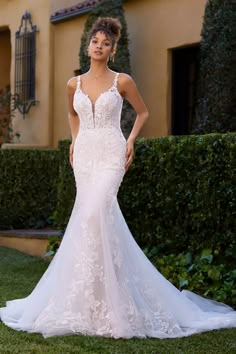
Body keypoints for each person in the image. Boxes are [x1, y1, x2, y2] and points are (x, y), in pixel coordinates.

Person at [0, 17, 236, 339]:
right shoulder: (75, 84)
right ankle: (93, 301)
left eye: (105, 43)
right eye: (95, 41)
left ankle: (116, 301)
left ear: (112, 50)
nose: (99, 46)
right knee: (91, 221)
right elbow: (71, 114)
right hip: (84, 155)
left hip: (112, 152)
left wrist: (130, 141)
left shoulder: (121, 81)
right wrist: (75, 141)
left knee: (97, 210)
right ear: (88, 47)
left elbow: (143, 112)